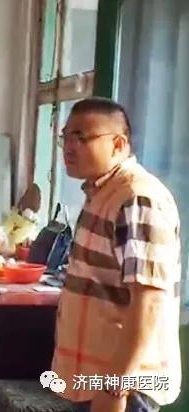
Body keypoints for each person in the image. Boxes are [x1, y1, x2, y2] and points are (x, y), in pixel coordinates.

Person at [51, 97, 182, 412]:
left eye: (81, 137)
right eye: (66, 137)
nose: (69, 147)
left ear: (118, 144)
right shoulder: (101, 193)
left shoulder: (137, 198)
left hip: (124, 387)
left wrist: (114, 388)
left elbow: (149, 301)